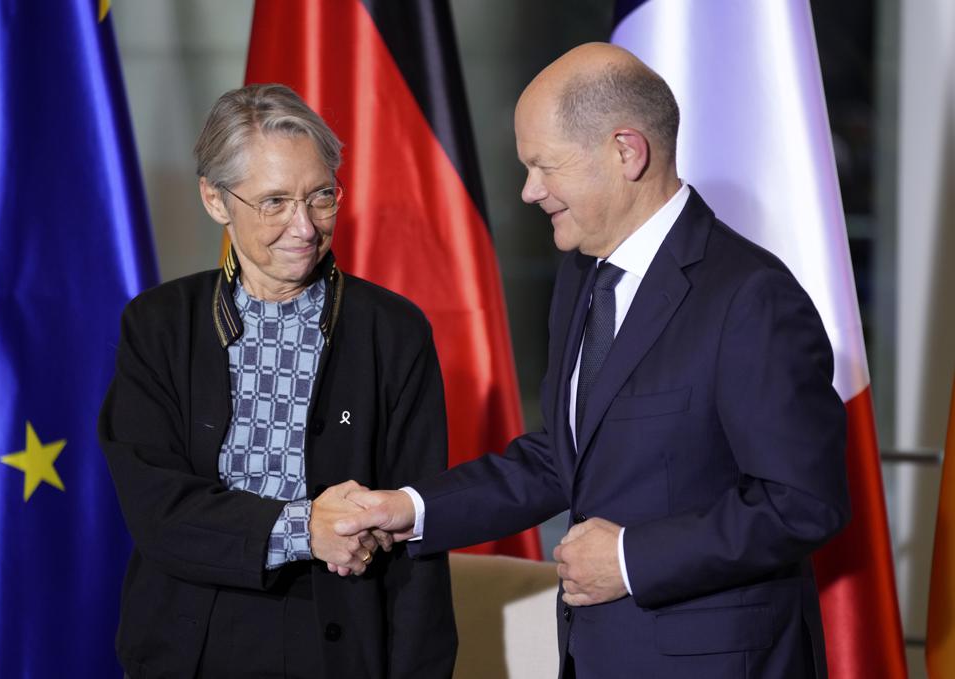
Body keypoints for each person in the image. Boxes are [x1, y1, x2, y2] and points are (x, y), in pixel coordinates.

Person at [336, 42, 851, 679]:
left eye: (544, 166)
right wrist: (412, 510)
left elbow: (802, 501)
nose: (529, 191)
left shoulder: (751, 296)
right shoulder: (582, 276)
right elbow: (566, 457)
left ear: (626, 151)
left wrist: (631, 558)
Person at [99, 84, 456, 679]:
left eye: (321, 196)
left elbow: (420, 533)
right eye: (274, 202)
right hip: (189, 641)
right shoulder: (158, 325)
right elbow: (157, 509)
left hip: (338, 641)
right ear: (216, 200)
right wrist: (304, 529)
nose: (305, 227)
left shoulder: (393, 331)